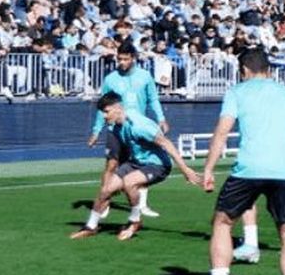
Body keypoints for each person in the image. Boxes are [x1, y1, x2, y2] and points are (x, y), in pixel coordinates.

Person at [198, 47, 285, 275]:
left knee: (223, 223)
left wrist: (208, 169)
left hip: (247, 170)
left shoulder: (237, 92)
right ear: (269, 69)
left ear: (244, 71)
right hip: (284, 172)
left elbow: (222, 131)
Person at [70, 92, 199, 241]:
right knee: (106, 189)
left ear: (118, 108)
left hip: (157, 165)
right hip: (135, 163)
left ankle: (134, 221)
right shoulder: (115, 127)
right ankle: (91, 227)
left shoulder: (139, 126)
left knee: (129, 182)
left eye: (106, 112)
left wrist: (185, 170)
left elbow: (166, 143)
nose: (104, 116)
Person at [85, 42, 168, 221]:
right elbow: (103, 106)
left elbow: (153, 99)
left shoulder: (145, 77)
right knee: (111, 165)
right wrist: (96, 130)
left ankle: (142, 204)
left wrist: (161, 118)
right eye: (119, 59)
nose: (121, 62)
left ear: (133, 58)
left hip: (137, 131)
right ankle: (104, 203)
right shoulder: (110, 79)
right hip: (115, 130)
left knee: (142, 163)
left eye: (125, 59)